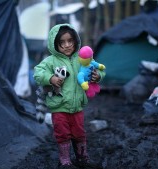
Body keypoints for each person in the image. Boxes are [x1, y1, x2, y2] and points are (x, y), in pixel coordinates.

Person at [33, 23, 105, 169]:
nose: (67, 45)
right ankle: (64, 161)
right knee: (62, 134)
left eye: (70, 41)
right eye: (62, 42)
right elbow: (37, 73)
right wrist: (51, 78)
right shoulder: (50, 61)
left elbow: (97, 67)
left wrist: (98, 76)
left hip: (77, 106)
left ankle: (82, 158)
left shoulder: (81, 59)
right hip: (59, 107)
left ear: (75, 41)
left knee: (79, 133)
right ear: (55, 44)